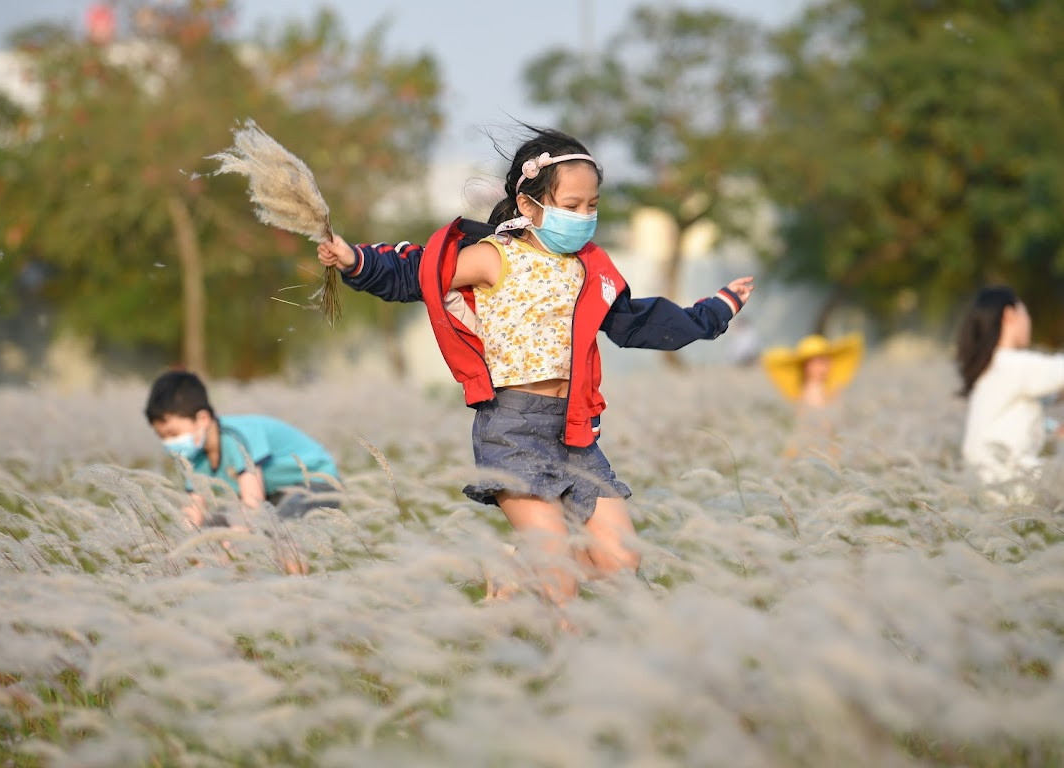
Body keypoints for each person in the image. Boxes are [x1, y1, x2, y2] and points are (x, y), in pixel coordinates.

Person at [315, 126, 754, 605]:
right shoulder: (493, 258)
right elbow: (418, 272)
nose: (584, 216)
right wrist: (355, 260)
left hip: (575, 432)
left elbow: (640, 322)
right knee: (559, 578)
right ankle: (559, 653)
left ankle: (515, 569)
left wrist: (716, 311)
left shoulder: (591, 267)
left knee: (621, 561)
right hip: (513, 426)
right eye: (571, 205)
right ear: (529, 205)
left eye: (593, 205)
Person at [144, 370, 342, 530]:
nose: (169, 443)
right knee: (211, 529)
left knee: (281, 528)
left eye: (173, 433)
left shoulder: (237, 439)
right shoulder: (194, 457)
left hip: (317, 482)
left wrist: (232, 548)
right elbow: (194, 512)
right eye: (162, 437)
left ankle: (297, 580)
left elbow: (252, 506)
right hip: (275, 492)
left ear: (202, 419)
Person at [955, 286, 1064, 492]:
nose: (1029, 321)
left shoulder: (992, 367)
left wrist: (1052, 427)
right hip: (1014, 490)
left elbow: (1015, 414)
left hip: (989, 487)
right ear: (1010, 315)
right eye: (1026, 313)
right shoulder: (1012, 364)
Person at [761, 333, 864, 459]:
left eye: (826, 360)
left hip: (831, 447)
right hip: (808, 449)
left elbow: (839, 422)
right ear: (806, 365)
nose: (825, 365)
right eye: (819, 361)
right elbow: (804, 427)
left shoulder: (832, 390)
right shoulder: (805, 392)